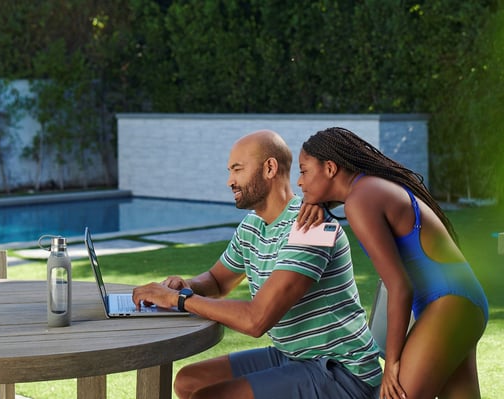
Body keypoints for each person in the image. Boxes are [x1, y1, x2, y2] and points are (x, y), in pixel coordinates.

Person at [132, 129, 382, 399]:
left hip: (340, 371)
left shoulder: (312, 226)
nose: (230, 181)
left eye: (237, 169)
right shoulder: (252, 226)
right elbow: (217, 281)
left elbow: (256, 320)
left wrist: (178, 299)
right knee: (189, 382)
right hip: (293, 355)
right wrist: (186, 285)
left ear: (270, 168)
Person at [296, 127, 489, 399]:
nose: (299, 183)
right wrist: (321, 203)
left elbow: (399, 286)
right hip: (463, 304)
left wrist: (393, 364)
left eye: (304, 171)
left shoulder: (360, 200)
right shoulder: (369, 188)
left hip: (448, 305)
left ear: (329, 168)